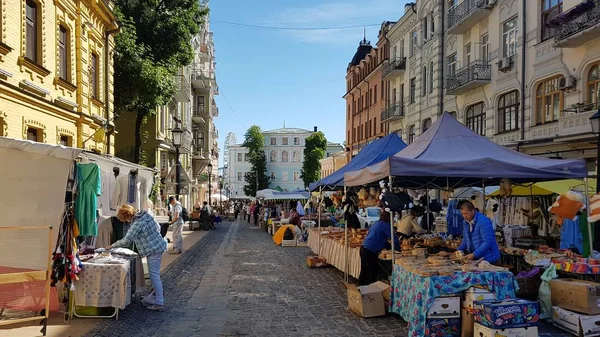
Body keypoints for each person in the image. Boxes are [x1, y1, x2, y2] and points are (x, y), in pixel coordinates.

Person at [106, 205, 167, 311]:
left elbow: (126, 241)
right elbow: (158, 227)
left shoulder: (136, 224)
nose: (125, 222)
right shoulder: (145, 215)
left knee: (154, 275)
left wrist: (111, 246)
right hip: (158, 245)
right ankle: (155, 296)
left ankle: (159, 301)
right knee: (154, 274)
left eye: (124, 220)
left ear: (126, 216)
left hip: (153, 250)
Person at [359, 208, 400, 286]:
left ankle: (361, 289)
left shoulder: (378, 223)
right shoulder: (385, 225)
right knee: (372, 272)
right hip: (370, 251)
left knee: (364, 270)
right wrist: (397, 251)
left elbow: (382, 240)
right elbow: (394, 240)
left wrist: (390, 247)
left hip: (364, 248)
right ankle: (372, 292)